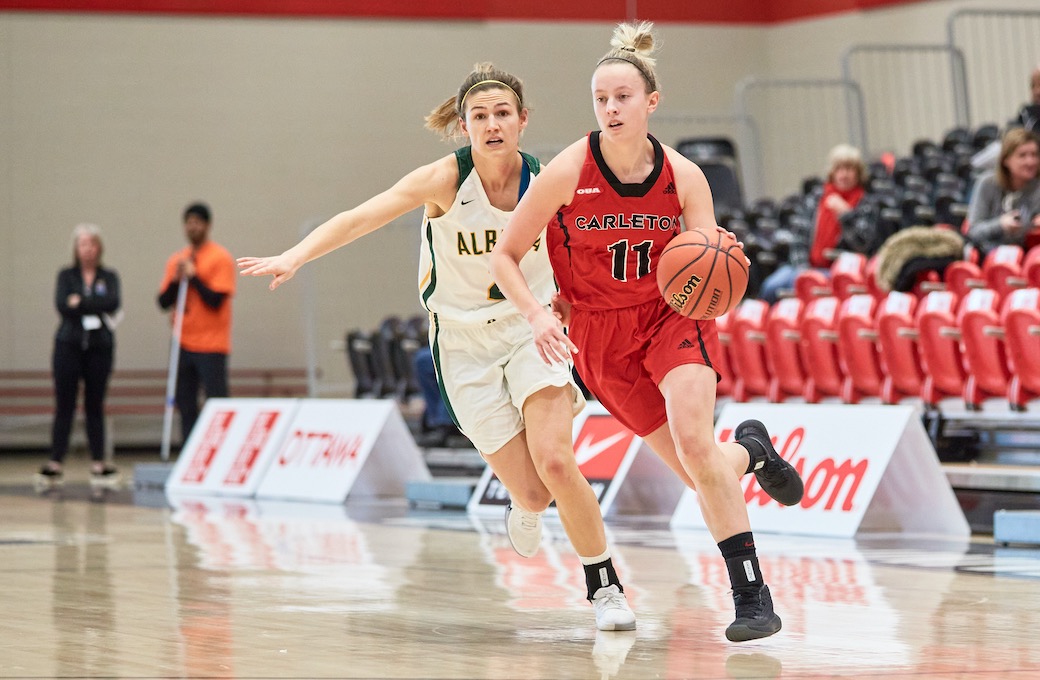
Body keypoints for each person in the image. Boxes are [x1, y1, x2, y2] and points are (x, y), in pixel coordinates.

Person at [237, 64, 636, 632]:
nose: (492, 125)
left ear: (523, 121)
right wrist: (295, 256)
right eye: (480, 116)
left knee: (555, 460)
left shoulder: (549, 181)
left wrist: (570, 299)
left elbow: (585, 252)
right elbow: (361, 217)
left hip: (530, 329)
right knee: (532, 490)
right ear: (464, 126)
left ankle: (606, 588)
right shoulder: (446, 181)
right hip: (463, 341)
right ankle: (523, 504)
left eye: (503, 114)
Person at [488, 21, 804, 642]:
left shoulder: (684, 176)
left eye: (623, 97)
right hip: (600, 338)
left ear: (650, 102)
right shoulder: (566, 172)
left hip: (672, 316)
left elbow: (707, 253)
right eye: (601, 99)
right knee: (702, 471)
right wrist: (536, 312)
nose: (610, 108)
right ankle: (754, 451)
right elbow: (505, 253)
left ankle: (751, 598)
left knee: (693, 443)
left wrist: (721, 254)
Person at [38, 224, 121, 486]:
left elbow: (112, 303)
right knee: (65, 404)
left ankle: (98, 461)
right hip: (69, 345)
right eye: (83, 244)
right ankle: (56, 461)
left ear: (99, 248)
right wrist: (87, 306)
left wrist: (82, 303)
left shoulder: (108, 276)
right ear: (76, 249)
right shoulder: (67, 276)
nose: (88, 249)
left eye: (92, 244)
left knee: (95, 404)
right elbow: (63, 306)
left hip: (99, 347)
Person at [157, 202, 236, 443]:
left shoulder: (220, 258)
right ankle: (187, 449)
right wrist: (176, 279)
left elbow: (216, 300)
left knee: (216, 401)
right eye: (189, 223)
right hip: (183, 341)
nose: (193, 227)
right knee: (185, 401)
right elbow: (163, 301)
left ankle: (219, 448)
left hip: (212, 344)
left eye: (197, 222)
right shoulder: (177, 260)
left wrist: (195, 277)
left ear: (207, 225)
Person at [758, 143, 867, 303]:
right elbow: (799, 238)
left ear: (858, 174)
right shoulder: (816, 199)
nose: (844, 175)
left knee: (803, 284)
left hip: (837, 270)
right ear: (832, 173)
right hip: (805, 266)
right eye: (839, 169)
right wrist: (803, 268)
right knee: (771, 286)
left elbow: (861, 245)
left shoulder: (864, 203)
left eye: (849, 169)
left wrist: (845, 215)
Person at [965, 128, 1040, 256]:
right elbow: (973, 231)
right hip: (988, 252)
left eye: (1034, 155)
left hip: (1023, 253)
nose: (1030, 161)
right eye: (1022, 155)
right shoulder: (987, 183)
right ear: (1006, 160)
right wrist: (1000, 224)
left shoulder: (1037, 185)